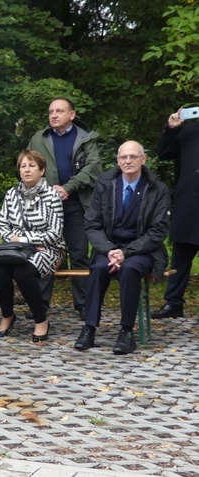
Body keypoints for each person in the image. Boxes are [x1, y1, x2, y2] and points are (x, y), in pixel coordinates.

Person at [74, 141, 170, 355]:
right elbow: (92, 223)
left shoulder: (157, 189)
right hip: (108, 247)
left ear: (143, 159)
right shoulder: (105, 183)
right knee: (98, 269)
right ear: (117, 160)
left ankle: (126, 331)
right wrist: (109, 250)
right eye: (123, 157)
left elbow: (157, 231)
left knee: (129, 269)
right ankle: (89, 328)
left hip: (142, 250)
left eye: (133, 157)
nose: (128, 161)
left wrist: (126, 253)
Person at [28, 97, 102, 320]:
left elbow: (93, 168)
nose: (53, 115)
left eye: (59, 111)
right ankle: (39, 304)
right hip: (45, 206)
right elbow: (28, 166)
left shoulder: (85, 139)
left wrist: (69, 187)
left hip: (76, 204)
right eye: (51, 111)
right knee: (43, 251)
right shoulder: (38, 139)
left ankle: (83, 304)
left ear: (72, 115)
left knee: (79, 253)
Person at [0, 150, 65, 342]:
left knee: (23, 271)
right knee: (0, 268)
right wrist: (18, 241)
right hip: (17, 249)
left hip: (49, 249)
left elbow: (55, 233)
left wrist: (24, 240)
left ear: (42, 171)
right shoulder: (11, 194)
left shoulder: (52, 196)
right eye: (23, 166)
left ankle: (41, 319)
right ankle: (8, 315)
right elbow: (0, 225)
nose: (27, 170)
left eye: (32, 166)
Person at [152, 109, 199, 319]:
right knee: (181, 255)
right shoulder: (188, 131)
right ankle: (173, 303)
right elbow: (163, 153)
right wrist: (171, 128)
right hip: (190, 202)